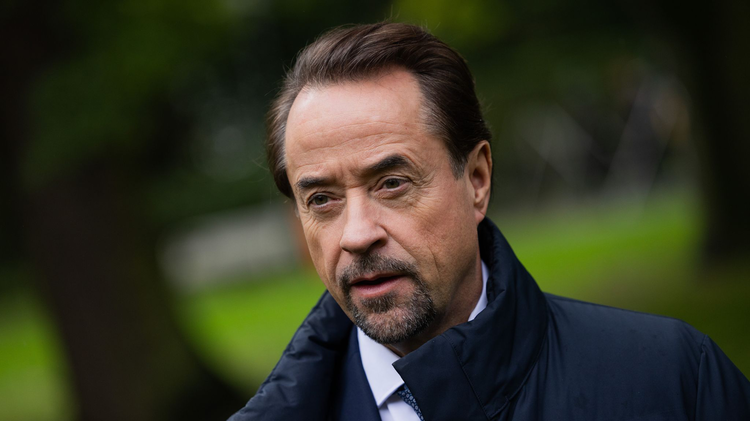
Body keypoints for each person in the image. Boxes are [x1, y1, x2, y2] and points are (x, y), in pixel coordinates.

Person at [228, 22, 750, 421]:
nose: (358, 234)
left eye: (392, 183)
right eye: (322, 199)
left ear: (477, 179)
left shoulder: (671, 381)